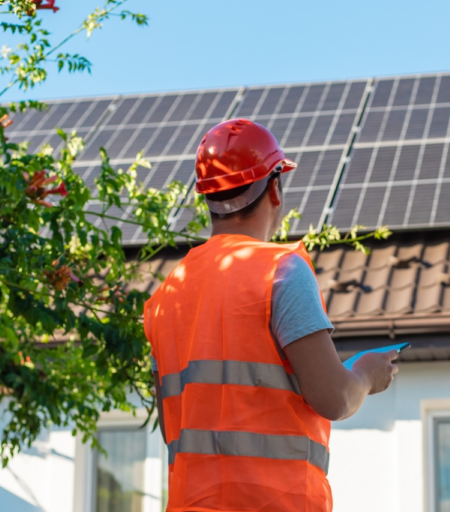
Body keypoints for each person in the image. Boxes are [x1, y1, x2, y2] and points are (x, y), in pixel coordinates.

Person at [144, 118, 399, 512]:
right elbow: (335, 398)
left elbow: (174, 427)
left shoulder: (165, 297)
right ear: (275, 188)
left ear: (207, 198)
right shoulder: (281, 271)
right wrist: (365, 373)